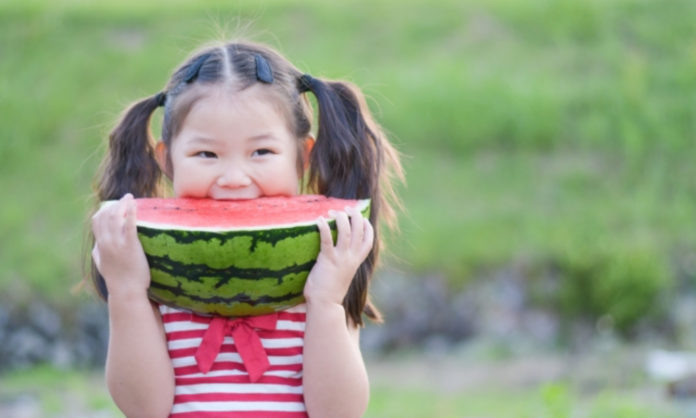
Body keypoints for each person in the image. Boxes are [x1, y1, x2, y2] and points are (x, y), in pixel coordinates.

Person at [89, 39, 403, 417]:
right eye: (206, 154)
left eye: (261, 152)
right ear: (167, 161)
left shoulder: (324, 270)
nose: (234, 178)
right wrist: (127, 292)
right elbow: (145, 409)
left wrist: (325, 302)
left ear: (303, 157)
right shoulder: (153, 276)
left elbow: (339, 413)